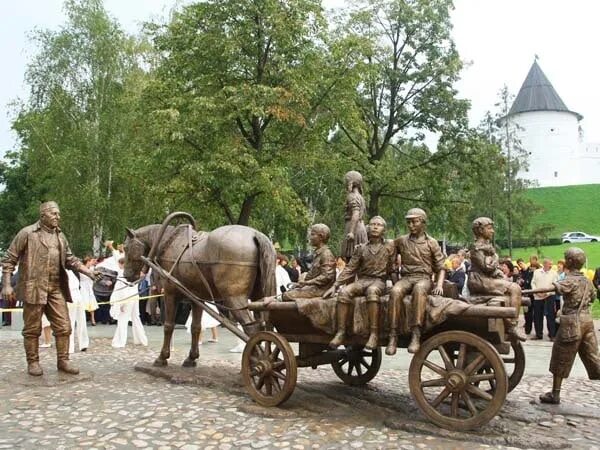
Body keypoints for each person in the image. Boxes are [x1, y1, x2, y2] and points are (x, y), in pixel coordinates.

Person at [1, 201, 98, 376]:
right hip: (34, 288)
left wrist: (88, 272)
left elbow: (71, 260)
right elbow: (9, 259)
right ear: (43, 215)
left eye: (58, 214)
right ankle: (33, 362)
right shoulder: (27, 233)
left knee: (64, 326)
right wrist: (7, 284)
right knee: (32, 329)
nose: (57, 217)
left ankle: (63, 360)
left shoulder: (60, 236)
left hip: (55, 288)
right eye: (54, 214)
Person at [539, 247, 600, 404]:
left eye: (566, 258)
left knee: (561, 356)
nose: (564, 260)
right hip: (587, 322)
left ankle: (555, 394)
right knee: (594, 359)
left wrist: (527, 291)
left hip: (572, 324)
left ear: (570, 262)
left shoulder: (569, 280)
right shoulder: (586, 280)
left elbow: (553, 288)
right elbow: (593, 297)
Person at [326, 216, 396, 350]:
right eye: (372, 224)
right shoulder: (361, 248)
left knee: (372, 291)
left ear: (384, 230)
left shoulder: (389, 247)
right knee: (344, 292)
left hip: (378, 281)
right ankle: (341, 332)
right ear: (367, 228)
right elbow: (350, 269)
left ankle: (374, 333)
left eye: (379, 225)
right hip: (363, 280)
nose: (375, 227)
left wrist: (396, 284)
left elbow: (392, 269)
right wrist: (335, 285)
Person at [387, 208, 445, 355]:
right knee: (395, 291)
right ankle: (393, 335)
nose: (411, 225)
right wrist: (394, 280)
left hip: (424, 278)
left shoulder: (431, 243)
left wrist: (438, 285)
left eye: (414, 222)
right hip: (406, 278)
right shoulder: (401, 241)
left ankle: (416, 334)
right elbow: (390, 258)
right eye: (408, 222)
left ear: (423, 223)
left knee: (419, 290)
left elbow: (441, 267)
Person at [467, 217, 526, 342]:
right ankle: (512, 326)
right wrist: (495, 257)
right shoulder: (476, 247)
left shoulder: (487, 247)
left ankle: (509, 324)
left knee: (511, 290)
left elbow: (492, 267)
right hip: (479, 281)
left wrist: (494, 262)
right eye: (489, 228)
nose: (492, 231)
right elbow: (486, 266)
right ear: (480, 230)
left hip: (486, 278)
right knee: (515, 288)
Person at [282, 224, 336, 301]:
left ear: (321, 237)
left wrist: (307, 283)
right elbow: (311, 273)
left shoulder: (326, 254)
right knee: (290, 292)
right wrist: (300, 284)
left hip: (322, 290)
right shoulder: (318, 253)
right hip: (314, 287)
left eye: (312, 234)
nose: (310, 238)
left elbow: (327, 276)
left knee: (288, 295)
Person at [110, 257, 148, 348]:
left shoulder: (122, 274)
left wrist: (120, 303)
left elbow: (119, 291)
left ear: (122, 264)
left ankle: (120, 341)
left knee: (123, 319)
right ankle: (141, 339)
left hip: (127, 298)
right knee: (136, 318)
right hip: (134, 297)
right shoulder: (133, 273)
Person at [341, 170, 368, 261]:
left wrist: (351, 232)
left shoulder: (352, 196)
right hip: (360, 226)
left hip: (354, 228)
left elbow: (355, 214)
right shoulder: (360, 196)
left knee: (352, 258)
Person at [531, 258, 559, 340]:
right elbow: (533, 283)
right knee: (537, 316)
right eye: (549, 264)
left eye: (551, 264)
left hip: (550, 297)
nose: (551, 265)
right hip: (537, 297)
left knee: (550, 316)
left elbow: (555, 285)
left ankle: (552, 335)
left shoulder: (554, 273)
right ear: (545, 264)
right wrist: (537, 292)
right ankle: (538, 334)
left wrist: (547, 293)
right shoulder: (537, 272)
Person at [67, 270, 89, 353]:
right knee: (72, 321)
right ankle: (71, 346)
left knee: (80, 320)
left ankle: (82, 344)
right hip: (72, 295)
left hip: (76, 294)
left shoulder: (73, 271)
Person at [519, 256, 539, 335]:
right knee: (527, 313)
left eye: (533, 260)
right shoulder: (527, 271)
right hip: (527, 295)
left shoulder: (538, 272)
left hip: (536, 295)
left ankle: (537, 331)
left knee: (536, 314)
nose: (532, 268)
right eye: (531, 260)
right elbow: (525, 281)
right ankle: (528, 329)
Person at [79, 256, 98, 326]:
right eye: (91, 261)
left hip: (90, 287)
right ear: (88, 262)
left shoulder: (92, 268)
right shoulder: (81, 269)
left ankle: (93, 320)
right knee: (84, 304)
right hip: (83, 288)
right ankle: (82, 320)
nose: (92, 263)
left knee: (92, 304)